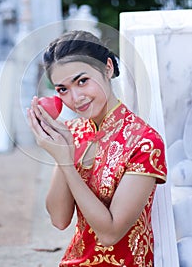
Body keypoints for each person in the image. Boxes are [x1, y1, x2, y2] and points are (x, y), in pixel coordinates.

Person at [27, 30, 167, 266]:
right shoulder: (73, 132)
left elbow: (110, 234)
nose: (76, 97)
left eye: (82, 81)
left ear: (108, 68)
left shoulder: (145, 142)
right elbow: (59, 219)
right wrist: (63, 153)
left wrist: (67, 164)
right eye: (63, 89)